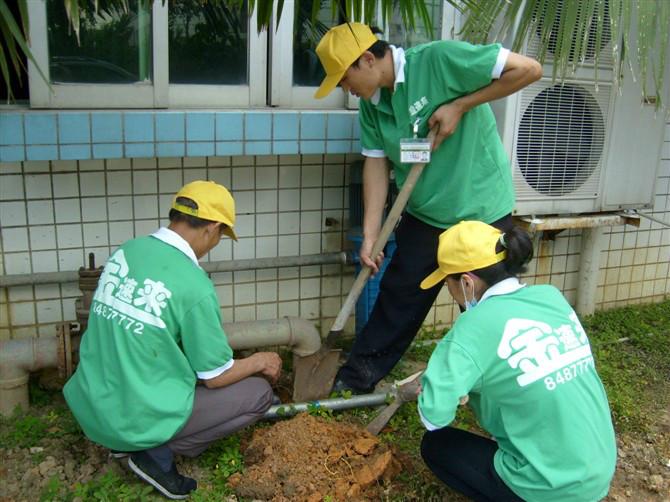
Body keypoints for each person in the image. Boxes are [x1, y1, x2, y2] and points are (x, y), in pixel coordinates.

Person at [314, 23, 543, 394]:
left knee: (486, 299)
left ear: (368, 59)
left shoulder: (439, 60)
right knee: (400, 293)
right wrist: (372, 234)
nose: (345, 89)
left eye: (344, 79)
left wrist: (460, 105)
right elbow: (376, 164)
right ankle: (357, 379)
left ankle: (509, 381)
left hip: (479, 208)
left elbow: (529, 69)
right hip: (426, 213)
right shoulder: (373, 106)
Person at [64, 180, 282, 500]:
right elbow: (216, 376)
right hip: (132, 420)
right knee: (258, 393)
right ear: (212, 228)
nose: (216, 242)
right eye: (221, 235)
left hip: (94, 405)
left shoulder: (128, 250)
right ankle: (152, 451)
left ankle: (133, 438)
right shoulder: (194, 285)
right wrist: (261, 360)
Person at [417, 221, 617, 501]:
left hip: (550, 487)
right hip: (597, 472)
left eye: (446, 281)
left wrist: (431, 387)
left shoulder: (471, 328)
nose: (447, 291)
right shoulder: (551, 297)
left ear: (466, 281)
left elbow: (433, 417)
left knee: (436, 445)